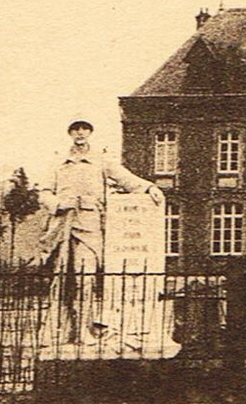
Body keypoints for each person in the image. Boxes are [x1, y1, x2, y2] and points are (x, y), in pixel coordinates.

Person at [41, 120, 164, 345]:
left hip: (89, 225)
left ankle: (83, 329)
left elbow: (125, 178)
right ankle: (56, 331)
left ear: (90, 132)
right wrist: (58, 204)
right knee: (60, 279)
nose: (80, 133)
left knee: (85, 278)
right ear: (69, 133)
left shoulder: (101, 159)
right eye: (75, 129)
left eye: (84, 129)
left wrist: (149, 187)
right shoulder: (58, 161)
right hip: (62, 225)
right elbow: (45, 192)